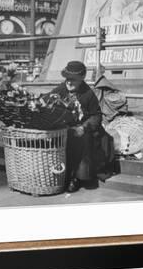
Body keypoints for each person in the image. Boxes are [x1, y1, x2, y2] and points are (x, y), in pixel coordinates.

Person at [47, 60, 114, 192]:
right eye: (67, 79)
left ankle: (76, 177)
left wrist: (83, 127)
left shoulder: (88, 94)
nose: (69, 83)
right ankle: (57, 173)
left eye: (73, 80)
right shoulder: (61, 88)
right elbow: (47, 99)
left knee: (80, 140)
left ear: (81, 79)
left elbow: (96, 116)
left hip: (84, 128)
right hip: (65, 127)